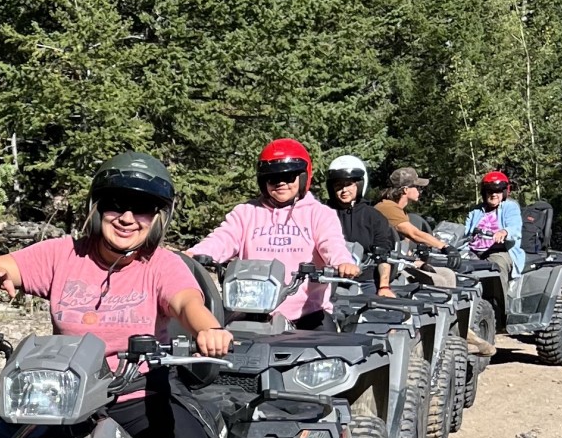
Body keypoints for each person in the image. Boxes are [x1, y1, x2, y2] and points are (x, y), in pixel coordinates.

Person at [0, 152, 232, 438]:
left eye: (143, 208)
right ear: (96, 207)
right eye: (116, 204)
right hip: (60, 399)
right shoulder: (64, 254)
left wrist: (208, 330)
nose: (127, 218)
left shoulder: (163, 264)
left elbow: (187, 304)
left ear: (159, 217)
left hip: (139, 398)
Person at [189, 139, 358, 327]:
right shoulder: (246, 212)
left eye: (289, 176)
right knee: (215, 345)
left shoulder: (318, 213)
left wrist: (342, 262)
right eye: (273, 178)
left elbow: (331, 242)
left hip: (306, 313)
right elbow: (223, 238)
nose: (281, 183)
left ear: (303, 177)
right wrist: (191, 256)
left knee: (330, 351)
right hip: (249, 310)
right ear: (263, 181)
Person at [325, 154, 398, 295]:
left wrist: (384, 286)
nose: (344, 190)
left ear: (359, 185)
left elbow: (383, 254)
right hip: (328, 279)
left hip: (364, 281)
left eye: (349, 184)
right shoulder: (322, 213)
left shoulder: (374, 216)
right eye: (338, 185)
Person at [374, 164, 450, 255]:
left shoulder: (399, 210)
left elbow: (404, 246)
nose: (420, 191)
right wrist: (444, 246)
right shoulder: (388, 208)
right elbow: (414, 234)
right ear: (405, 190)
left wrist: (419, 263)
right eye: (417, 187)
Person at [463, 170, 526, 280]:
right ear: (484, 193)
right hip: (473, 250)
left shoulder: (510, 207)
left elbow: (515, 227)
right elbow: (465, 231)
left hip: (499, 251)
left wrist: (504, 232)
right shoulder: (476, 210)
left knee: (496, 266)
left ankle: (497, 297)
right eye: (490, 191)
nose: (494, 194)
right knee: (454, 264)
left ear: (505, 192)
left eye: (498, 191)